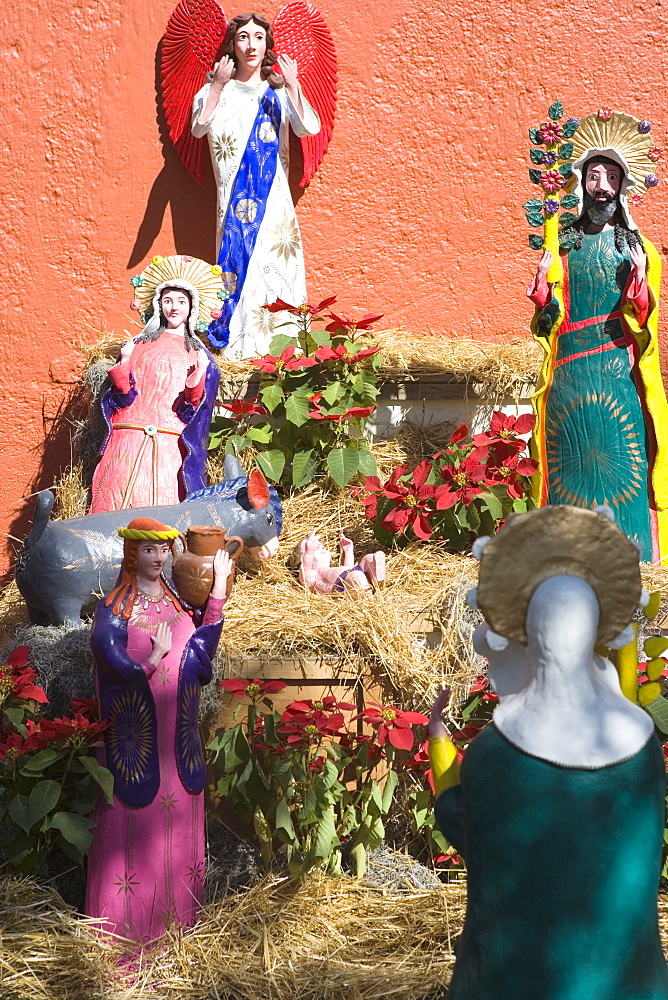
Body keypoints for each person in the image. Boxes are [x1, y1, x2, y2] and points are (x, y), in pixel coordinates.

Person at [429, 506, 668, 999]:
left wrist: (438, 745)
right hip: (628, 984)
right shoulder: (643, 748)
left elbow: (469, 831)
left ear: (529, 636)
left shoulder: (495, 755)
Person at [85, 517, 234, 942]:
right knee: (127, 836)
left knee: (176, 841)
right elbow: (108, 654)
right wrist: (151, 662)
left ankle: (179, 938)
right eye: (149, 550)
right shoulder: (113, 609)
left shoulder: (178, 604)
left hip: (178, 747)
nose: (159, 557)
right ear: (132, 554)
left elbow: (204, 646)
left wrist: (219, 585)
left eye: (164, 550)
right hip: (136, 751)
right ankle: (124, 944)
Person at [528, 113, 668, 562]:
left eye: (611, 176)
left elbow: (645, 314)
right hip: (569, 371)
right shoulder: (562, 243)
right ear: (580, 183)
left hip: (616, 373)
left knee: (623, 459)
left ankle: (633, 558)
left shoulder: (636, 247)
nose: (602, 186)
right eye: (594, 176)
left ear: (624, 185)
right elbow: (546, 315)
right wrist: (543, 293)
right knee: (567, 460)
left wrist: (641, 281)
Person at [191, 12, 320, 359]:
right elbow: (199, 128)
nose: (251, 45)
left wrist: (293, 85)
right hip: (233, 202)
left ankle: (284, 355)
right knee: (238, 270)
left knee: (274, 266)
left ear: (268, 45)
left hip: (274, 200)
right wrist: (217, 86)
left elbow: (308, 128)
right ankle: (237, 351)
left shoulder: (276, 92)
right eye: (244, 37)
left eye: (259, 37)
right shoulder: (213, 91)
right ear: (233, 44)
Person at [90, 255, 222, 513]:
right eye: (168, 301)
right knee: (115, 499)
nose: (174, 308)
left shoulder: (198, 354)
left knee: (163, 505)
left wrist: (199, 376)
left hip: (169, 443)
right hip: (128, 436)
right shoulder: (137, 345)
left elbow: (193, 409)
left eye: (181, 302)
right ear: (157, 304)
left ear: (192, 307)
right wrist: (124, 363)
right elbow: (122, 396)